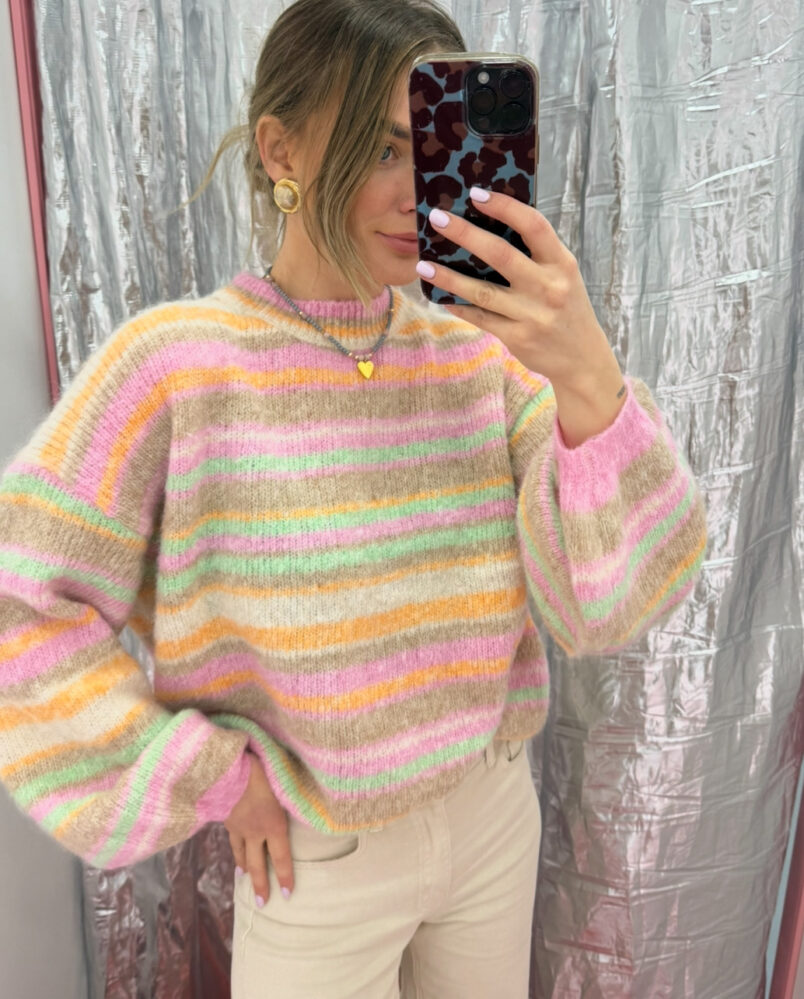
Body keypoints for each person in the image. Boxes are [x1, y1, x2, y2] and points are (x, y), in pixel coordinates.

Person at [0, 1, 707, 996]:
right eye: (381, 147)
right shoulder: (178, 368)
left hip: (490, 816)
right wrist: (212, 776)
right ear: (280, 148)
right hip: (317, 854)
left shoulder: (480, 363)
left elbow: (606, 606)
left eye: (436, 146)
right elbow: (24, 606)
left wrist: (587, 375)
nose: (419, 191)